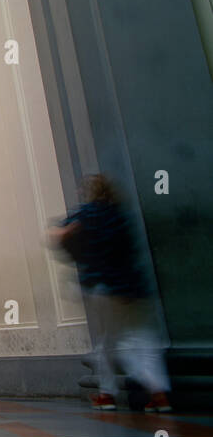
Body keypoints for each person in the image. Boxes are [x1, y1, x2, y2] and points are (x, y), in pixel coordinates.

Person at [50, 174, 171, 412]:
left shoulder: (87, 214)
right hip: (132, 285)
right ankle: (158, 394)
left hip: (102, 286)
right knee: (142, 340)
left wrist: (75, 248)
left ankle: (111, 393)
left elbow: (58, 236)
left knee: (110, 343)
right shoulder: (120, 214)